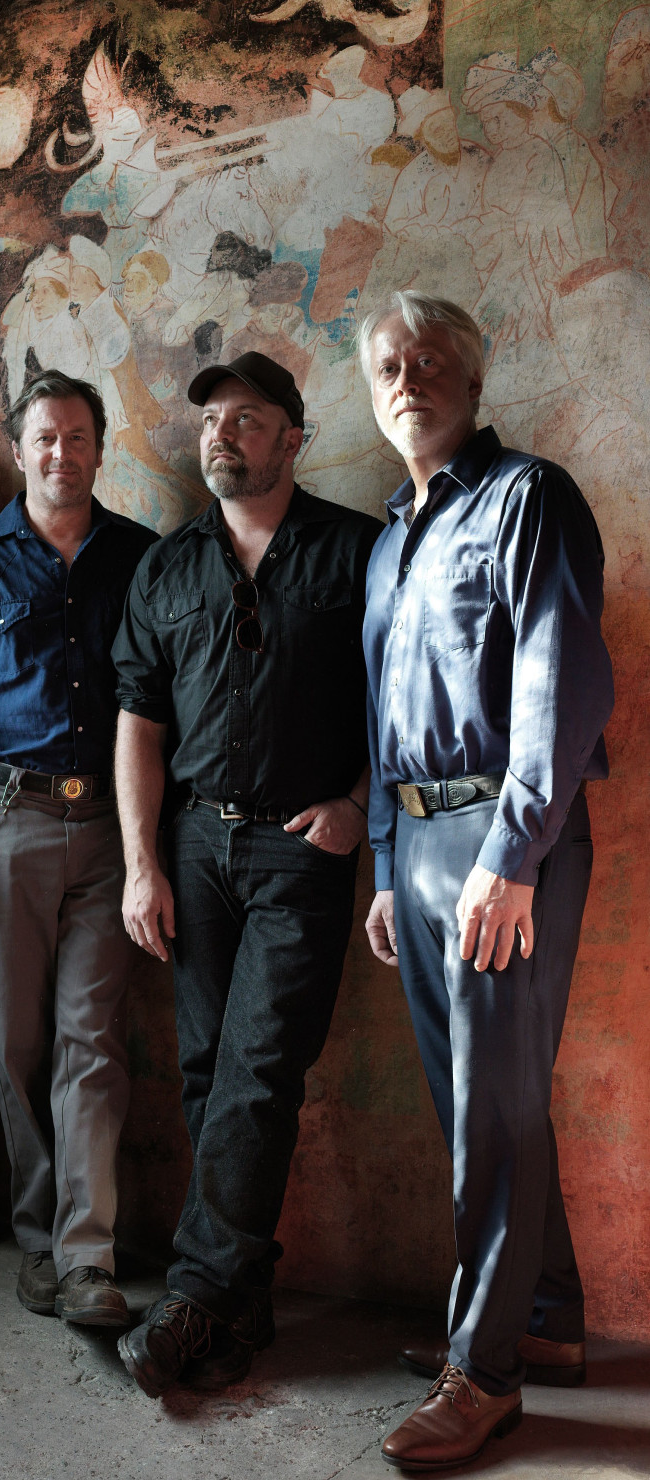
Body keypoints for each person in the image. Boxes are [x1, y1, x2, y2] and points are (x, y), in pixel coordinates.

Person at [358, 291, 613, 1470]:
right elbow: (379, 716)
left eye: (429, 361)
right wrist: (382, 863)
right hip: (414, 846)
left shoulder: (528, 497)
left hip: (508, 841)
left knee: (495, 1113)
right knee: (478, 1105)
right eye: (388, 366)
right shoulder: (388, 541)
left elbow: (562, 684)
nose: (407, 379)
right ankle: (543, 1317)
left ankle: (487, 1372)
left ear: (471, 379)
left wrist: (511, 857)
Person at [112, 350, 382, 1396]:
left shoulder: (357, 550)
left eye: (248, 419)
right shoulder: (167, 567)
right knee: (204, 1070)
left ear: (293, 440)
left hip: (300, 850)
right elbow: (139, 724)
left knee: (259, 1069)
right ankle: (241, 1299)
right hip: (193, 846)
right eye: (211, 420)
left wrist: (357, 803)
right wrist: (142, 864)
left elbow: (400, 694)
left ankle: (191, 1297)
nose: (221, 434)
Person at [0, 370, 157, 1326]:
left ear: (100, 448)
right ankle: (37, 1239)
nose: (63, 453)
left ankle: (87, 1255)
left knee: (91, 1041)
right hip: (5, 820)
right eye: (45, 438)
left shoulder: (140, 557)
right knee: (15, 1041)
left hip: (109, 829)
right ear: (18, 452)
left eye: (78, 437)